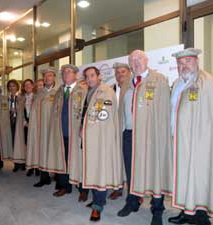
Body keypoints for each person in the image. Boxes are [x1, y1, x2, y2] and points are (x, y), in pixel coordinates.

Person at [168, 48, 213, 225]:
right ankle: (186, 212)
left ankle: (201, 217)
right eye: (180, 63)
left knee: (200, 177)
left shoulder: (208, 82)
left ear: (196, 61)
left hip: (201, 142)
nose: (183, 66)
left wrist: (206, 141)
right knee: (183, 176)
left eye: (187, 61)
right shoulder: (178, 83)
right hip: (180, 140)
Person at [117, 50, 172, 225]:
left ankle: (157, 209)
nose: (136, 63)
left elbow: (164, 110)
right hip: (129, 134)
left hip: (151, 135)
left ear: (146, 60)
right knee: (131, 170)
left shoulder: (159, 80)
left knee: (154, 171)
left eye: (139, 59)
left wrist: (162, 135)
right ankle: (132, 202)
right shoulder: (128, 83)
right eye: (132, 61)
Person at [67, 66, 124, 221]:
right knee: (90, 168)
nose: (89, 78)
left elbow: (105, 118)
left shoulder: (107, 91)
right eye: (87, 76)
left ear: (98, 76)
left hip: (100, 140)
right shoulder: (86, 91)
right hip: (86, 138)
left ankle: (98, 205)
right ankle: (95, 198)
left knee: (100, 170)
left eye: (92, 75)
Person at [47, 64, 89, 200]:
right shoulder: (59, 91)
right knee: (63, 159)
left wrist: (83, 128)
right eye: (64, 73)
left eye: (69, 72)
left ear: (76, 74)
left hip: (76, 133)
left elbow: (87, 110)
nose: (66, 75)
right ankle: (65, 186)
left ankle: (83, 188)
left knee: (80, 160)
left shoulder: (83, 90)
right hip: (61, 132)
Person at [26, 67, 58, 187]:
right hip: (41, 129)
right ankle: (44, 178)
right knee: (42, 151)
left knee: (54, 151)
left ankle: (57, 178)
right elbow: (34, 110)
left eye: (49, 76)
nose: (47, 78)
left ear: (54, 77)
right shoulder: (40, 93)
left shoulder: (58, 91)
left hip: (53, 128)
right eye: (45, 76)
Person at [108, 62, 132, 200]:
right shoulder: (111, 89)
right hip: (114, 131)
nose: (120, 74)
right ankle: (118, 187)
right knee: (116, 160)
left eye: (123, 71)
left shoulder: (133, 87)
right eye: (117, 72)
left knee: (130, 162)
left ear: (129, 73)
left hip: (128, 130)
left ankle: (134, 192)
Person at [22, 79, 40, 177]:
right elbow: (20, 112)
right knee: (28, 146)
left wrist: (34, 123)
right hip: (26, 124)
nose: (28, 86)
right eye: (26, 85)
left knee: (35, 146)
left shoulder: (37, 97)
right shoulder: (22, 98)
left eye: (29, 84)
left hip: (35, 125)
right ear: (24, 87)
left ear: (33, 86)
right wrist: (25, 122)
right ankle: (29, 167)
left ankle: (36, 167)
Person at [7, 79, 26, 172]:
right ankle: (16, 163)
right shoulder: (7, 98)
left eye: (13, 86)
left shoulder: (21, 97)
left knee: (21, 143)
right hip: (10, 122)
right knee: (13, 142)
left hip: (19, 122)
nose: (12, 88)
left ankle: (22, 163)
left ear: (17, 87)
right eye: (10, 86)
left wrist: (17, 110)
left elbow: (24, 109)